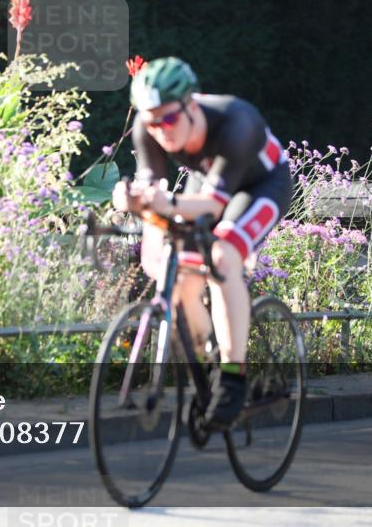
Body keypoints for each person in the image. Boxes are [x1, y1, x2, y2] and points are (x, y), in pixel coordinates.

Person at [111, 57, 293, 429]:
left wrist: (166, 205)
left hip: (262, 185)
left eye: (169, 119)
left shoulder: (236, 121)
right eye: (152, 121)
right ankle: (205, 354)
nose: (161, 130)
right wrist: (131, 201)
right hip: (208, 181)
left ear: (191, 105)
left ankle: (232, 376)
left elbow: (211, 205)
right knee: (180, 273)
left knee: (223, 253)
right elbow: (153, 195)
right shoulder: (149, 127)